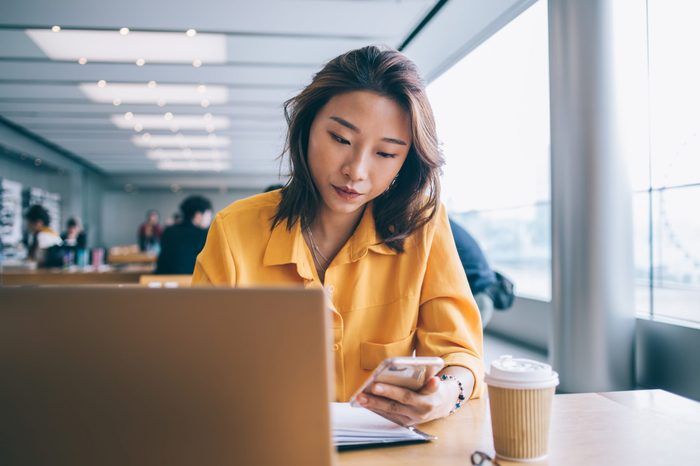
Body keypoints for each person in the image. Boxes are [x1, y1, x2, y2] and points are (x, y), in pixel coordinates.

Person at [192, 46, 483, 426]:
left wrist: (446, 393)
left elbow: (460, 355)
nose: (356, 171)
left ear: (406, 160)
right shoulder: (235, 230)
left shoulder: (422, 228)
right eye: (341, 140)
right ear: (307, 126)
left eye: (385, 154)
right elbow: (196, 365)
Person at [449, 218, 498, 328]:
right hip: (481, 293)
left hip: (479, 296)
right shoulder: (444, 221)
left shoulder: (437, 221)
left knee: (461, 342)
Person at [155, 195, 213, 275]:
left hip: (162, 280)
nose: (210, 218)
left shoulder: (169, 231)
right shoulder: (204, 235)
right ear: (198, 215)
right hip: (189, 283)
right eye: (208, 215)